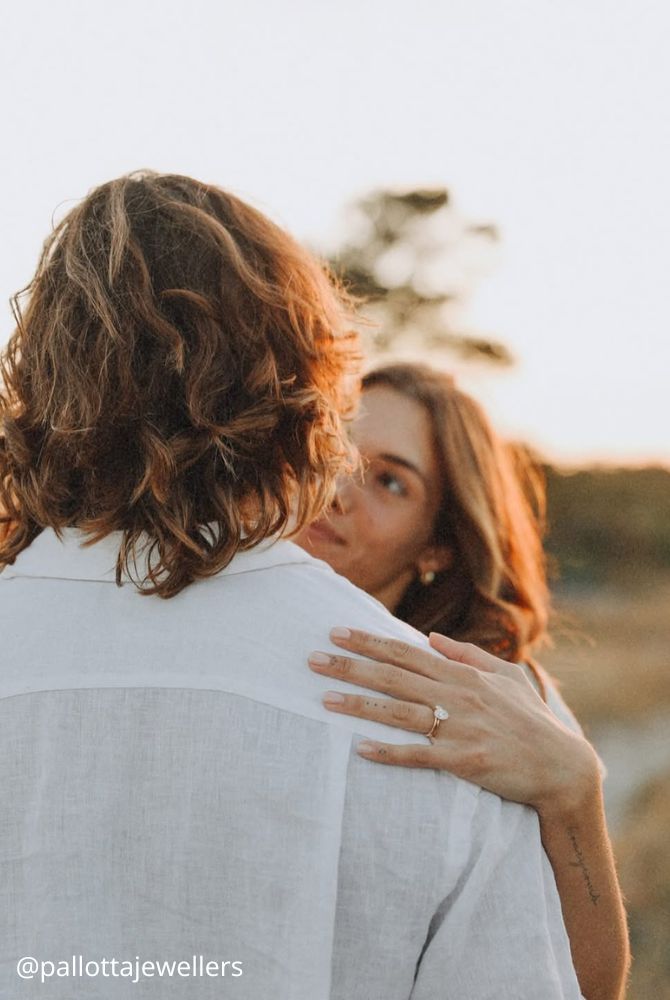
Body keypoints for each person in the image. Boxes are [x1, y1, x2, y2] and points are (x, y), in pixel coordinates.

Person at [1, 171, 582, 999]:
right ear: (306, 392)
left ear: (46, 379)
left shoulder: (463, 715)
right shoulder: (432, 726)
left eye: (397, 483)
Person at [298, 363, 629, 1000]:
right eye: (333, 447)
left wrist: (576, 793)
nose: (339, 488)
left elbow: (585, 987)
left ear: (437, 549)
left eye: (390, 481)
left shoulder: (490, 695)